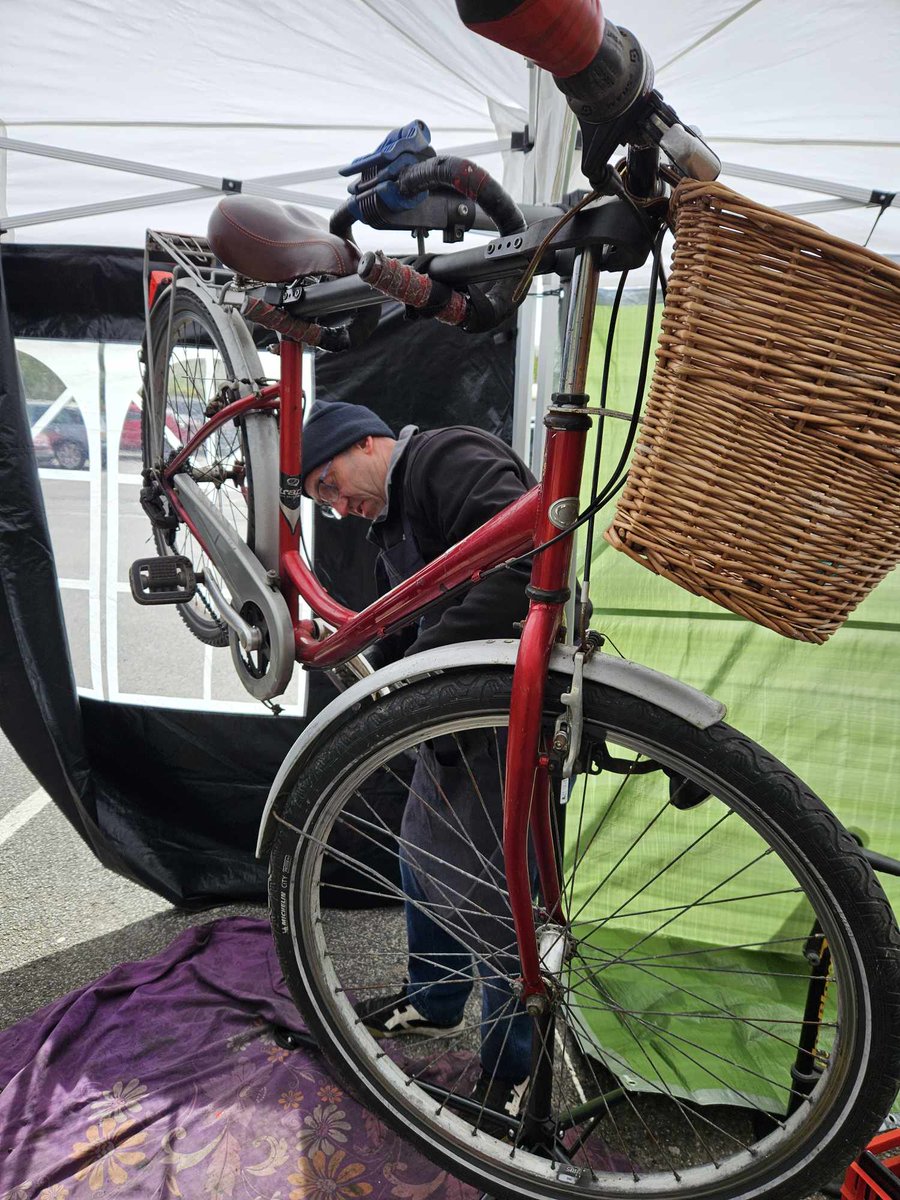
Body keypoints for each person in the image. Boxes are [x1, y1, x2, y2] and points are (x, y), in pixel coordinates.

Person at [301, 398, 537, 1123]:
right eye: (322, 502)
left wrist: (419, 665)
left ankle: (510, 1071)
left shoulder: (445, 458)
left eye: (331, 485)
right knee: (418, 858)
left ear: (365, 442)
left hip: (507, 705)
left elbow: (530, 565)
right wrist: (366, 667)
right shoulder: (390, 529)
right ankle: (434, 1002)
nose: (338, 507)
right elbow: (410, 633)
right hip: (453, 715)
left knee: (497, 901)